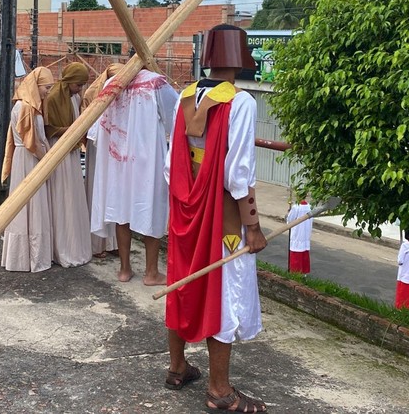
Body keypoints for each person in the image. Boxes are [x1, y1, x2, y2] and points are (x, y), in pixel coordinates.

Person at [163, 24, 268, 412]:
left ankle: (177, 368)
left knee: (182, 282)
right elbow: (238, 174)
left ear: (208, 58)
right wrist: (252, 227)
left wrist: (185, 203)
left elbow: (169, 164)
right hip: (221, 216)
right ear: (240, 62)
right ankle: (220, 392)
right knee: (223, 292)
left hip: (183, 210)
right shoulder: (241, 103)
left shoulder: (183, 98)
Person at [89, 68, 178, 285]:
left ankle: (124, 269)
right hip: (147, 158)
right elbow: (175, 117)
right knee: (152, 209)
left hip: (118, 157)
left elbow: (100, 118)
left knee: (121, 212)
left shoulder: (112, 81)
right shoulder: (156, 82)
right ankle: (151, 272)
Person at [0, 67, 56, 272]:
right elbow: (32, 142)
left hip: (25, 159)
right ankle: (30, 258)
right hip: (29, 159)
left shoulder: (25, 106)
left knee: (27, 206)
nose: (48, 92)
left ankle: (22, 257)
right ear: (36, 85)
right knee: (31, 204)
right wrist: (48, 159)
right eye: (46, 87)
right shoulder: (25, 108)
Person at [43, 62, 92, 268]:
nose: (79, 89)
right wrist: (73, 130)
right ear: (69, 81)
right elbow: (48, 128)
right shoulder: (53, 97)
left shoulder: (76, 98)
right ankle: (61, 247)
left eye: (82, 85)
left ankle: (74, 244)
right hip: (58, 149)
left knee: (72, 195)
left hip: (71, 151)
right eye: (77, 84)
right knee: (61, 196)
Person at [83, 63, 123, 259]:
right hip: (98, 147)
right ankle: (97, 244)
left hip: (115, 149)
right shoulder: (94, 95)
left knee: (113, 193)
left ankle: (114, 242)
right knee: (98, 191)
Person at [286, 200, 313, 276]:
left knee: (296, 257)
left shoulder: (296, 207)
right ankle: (304, 275)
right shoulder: (310, 206)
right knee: (304, 255)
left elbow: (290, 221)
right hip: (306, 235)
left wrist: (288, 214)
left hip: (297, 236)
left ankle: (295, 276)